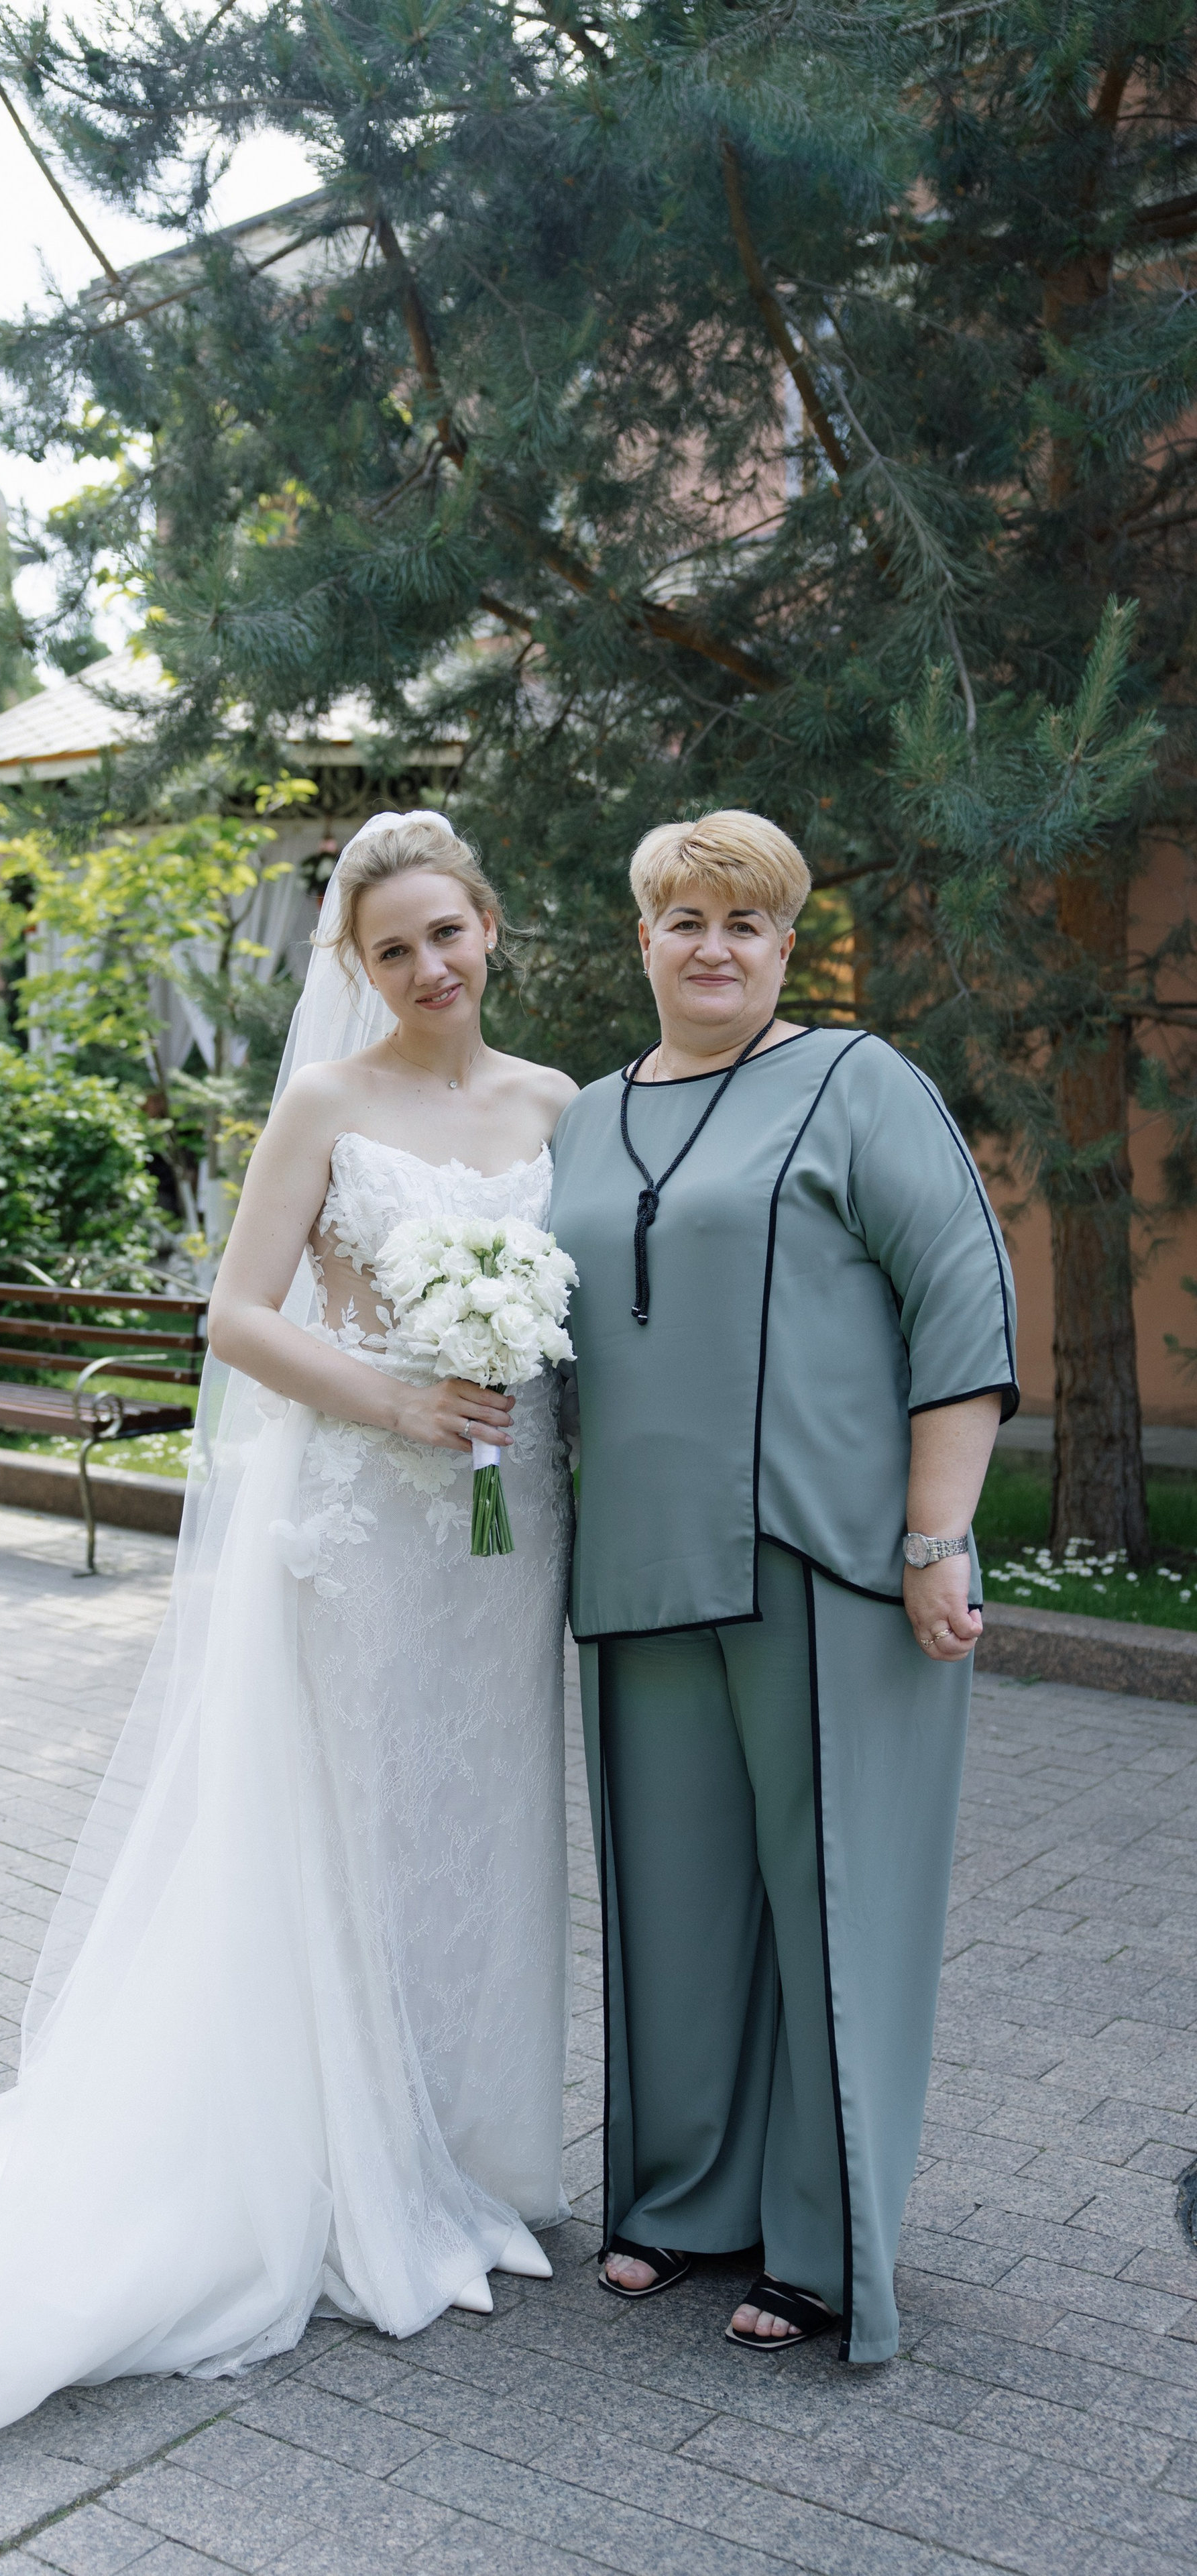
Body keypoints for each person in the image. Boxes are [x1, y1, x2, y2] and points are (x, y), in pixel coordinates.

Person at [0, 810, 577, 2451]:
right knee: (352, 1837)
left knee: (477, 1826)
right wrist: (400, 1394)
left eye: (450, 932)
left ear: (494, 926)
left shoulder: (559, 1105)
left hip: (508, 1535)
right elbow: (234, 1314)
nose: (431, 966)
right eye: (393, 948)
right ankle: (353, 2161)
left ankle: (470, 2143)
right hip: (365, 1521)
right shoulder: (325, 1105)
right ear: (355, 969)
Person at [549, 809, 1017, 2365]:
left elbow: (957, 1285)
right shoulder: (583, 1119)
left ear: (782, 942)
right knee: (674, 1911)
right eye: (682, 918)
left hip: (822, 1558)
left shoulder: (852, 1081)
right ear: (642, 939)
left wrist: (934, 1532)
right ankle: (683, 2200)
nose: (711, 945)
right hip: (633, 1564)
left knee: (829, 1907)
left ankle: (822, 2245)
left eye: (743, 922)